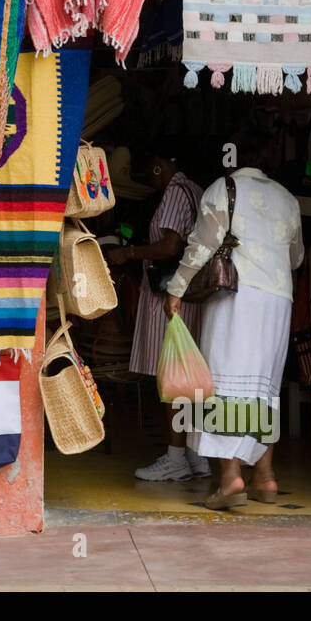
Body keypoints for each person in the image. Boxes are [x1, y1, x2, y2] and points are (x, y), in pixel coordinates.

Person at [164, 134, 303, 510]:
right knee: (264, 389)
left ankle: (230, 478)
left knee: (227, 385)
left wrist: (176, 288)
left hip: (237, 296)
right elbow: (296, 257)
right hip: (278, 297)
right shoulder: (287, 198)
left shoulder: (221, 189)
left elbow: (201, 246)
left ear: (229, 158)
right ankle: (266, 478)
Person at [109, 144, 206, 481]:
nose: (150, 176)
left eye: (151, 166)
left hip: (170, 297)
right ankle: (194, 455)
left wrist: (130, 253)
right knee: (185, 377)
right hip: (185, 295)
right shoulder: (194, 190)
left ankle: (177, 457)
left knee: (172, 378)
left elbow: (170, 246)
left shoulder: (177, 191)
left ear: (160, 164)